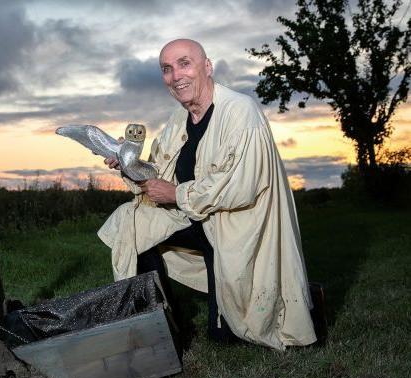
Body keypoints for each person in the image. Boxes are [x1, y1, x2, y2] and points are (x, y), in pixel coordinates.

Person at [98, 38, 317, 350]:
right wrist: (128, 163)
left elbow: (240, 186)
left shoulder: (241, 112)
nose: (176, 76)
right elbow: (159, 171)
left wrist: (176, 193)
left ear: (207, 67)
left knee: (228, 338)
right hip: (194, 218)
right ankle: (161, 325)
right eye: (167, 69)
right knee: (131, 224)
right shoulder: (178, 120)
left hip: (238, 225)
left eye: (184, 63)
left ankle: (288, 298)